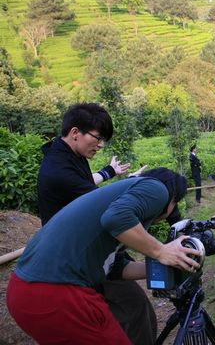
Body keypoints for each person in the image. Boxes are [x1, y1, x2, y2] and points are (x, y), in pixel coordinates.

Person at [6, 168, 202, 345]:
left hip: (22, 293)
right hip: (58, 293)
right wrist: (161, 250)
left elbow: (115, 268)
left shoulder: (113, 201)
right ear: (173, 198)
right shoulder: (158, 188)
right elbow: (115, 218)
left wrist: (164, 265)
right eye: (174, 204)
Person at [36, 102, 157, 345]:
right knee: (133, 306)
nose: (100, 144)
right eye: (98, 138)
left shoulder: (67, 154)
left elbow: (86, 183)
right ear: (75, 133)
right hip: (73, 258)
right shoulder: (58, 170)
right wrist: (130, 185)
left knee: (133, 304)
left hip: (82, 247)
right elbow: (98, 201)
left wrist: (109, 172)